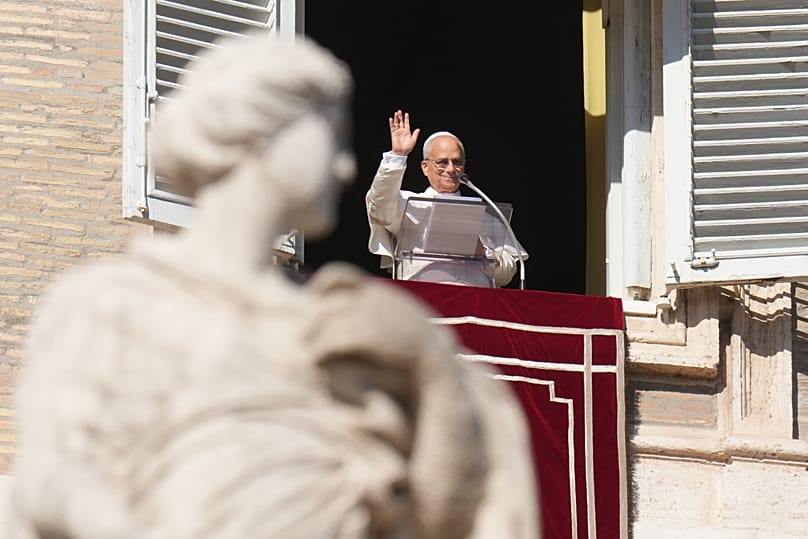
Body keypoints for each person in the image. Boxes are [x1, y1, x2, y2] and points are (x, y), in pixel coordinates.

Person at [8, 36, 540, 539]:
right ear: (256, 136)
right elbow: (52, 478)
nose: (343, 165)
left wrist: (433, 371)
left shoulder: (346, 323)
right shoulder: (110, 304)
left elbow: (442, 510)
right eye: (329, 138)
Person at [366, 109, 527, 288]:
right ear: (425, 167)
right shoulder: (409, 205)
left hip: (475, 300)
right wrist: (398, 156)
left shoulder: (486, 216)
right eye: (442, 162)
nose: (451, 169)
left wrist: (484, 254)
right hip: (426, 298)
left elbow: (507, 273)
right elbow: (379, 208)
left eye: (457, 162)